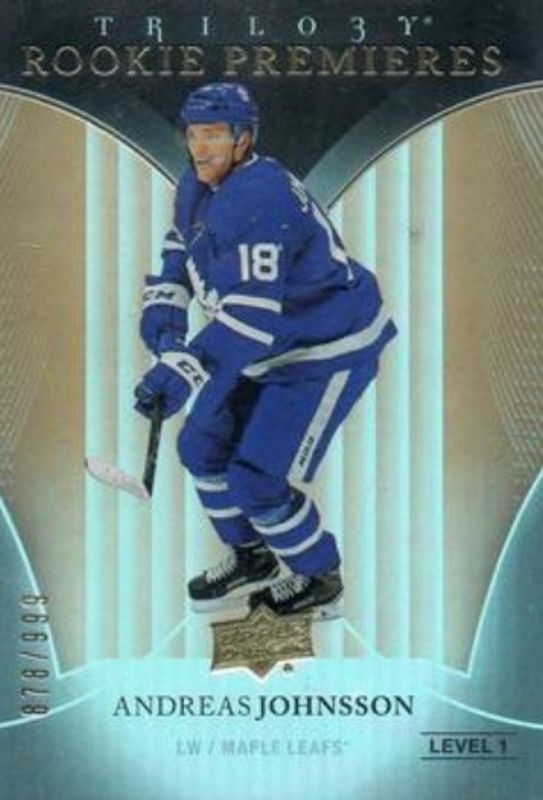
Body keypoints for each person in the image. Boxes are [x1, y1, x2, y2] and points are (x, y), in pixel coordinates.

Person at [134, 82, 396, 618]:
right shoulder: (198, 183)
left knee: (255, 478)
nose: (200, 146)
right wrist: (166, 314)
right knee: (200, 447)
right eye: (193, 134)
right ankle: (252, 556)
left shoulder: (258, 197)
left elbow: (251, 319)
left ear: (244, 138)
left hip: (323, 347)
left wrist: (184, 368)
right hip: (265, 343)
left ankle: (319, 576)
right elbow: (181, 246)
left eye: (214, 134)